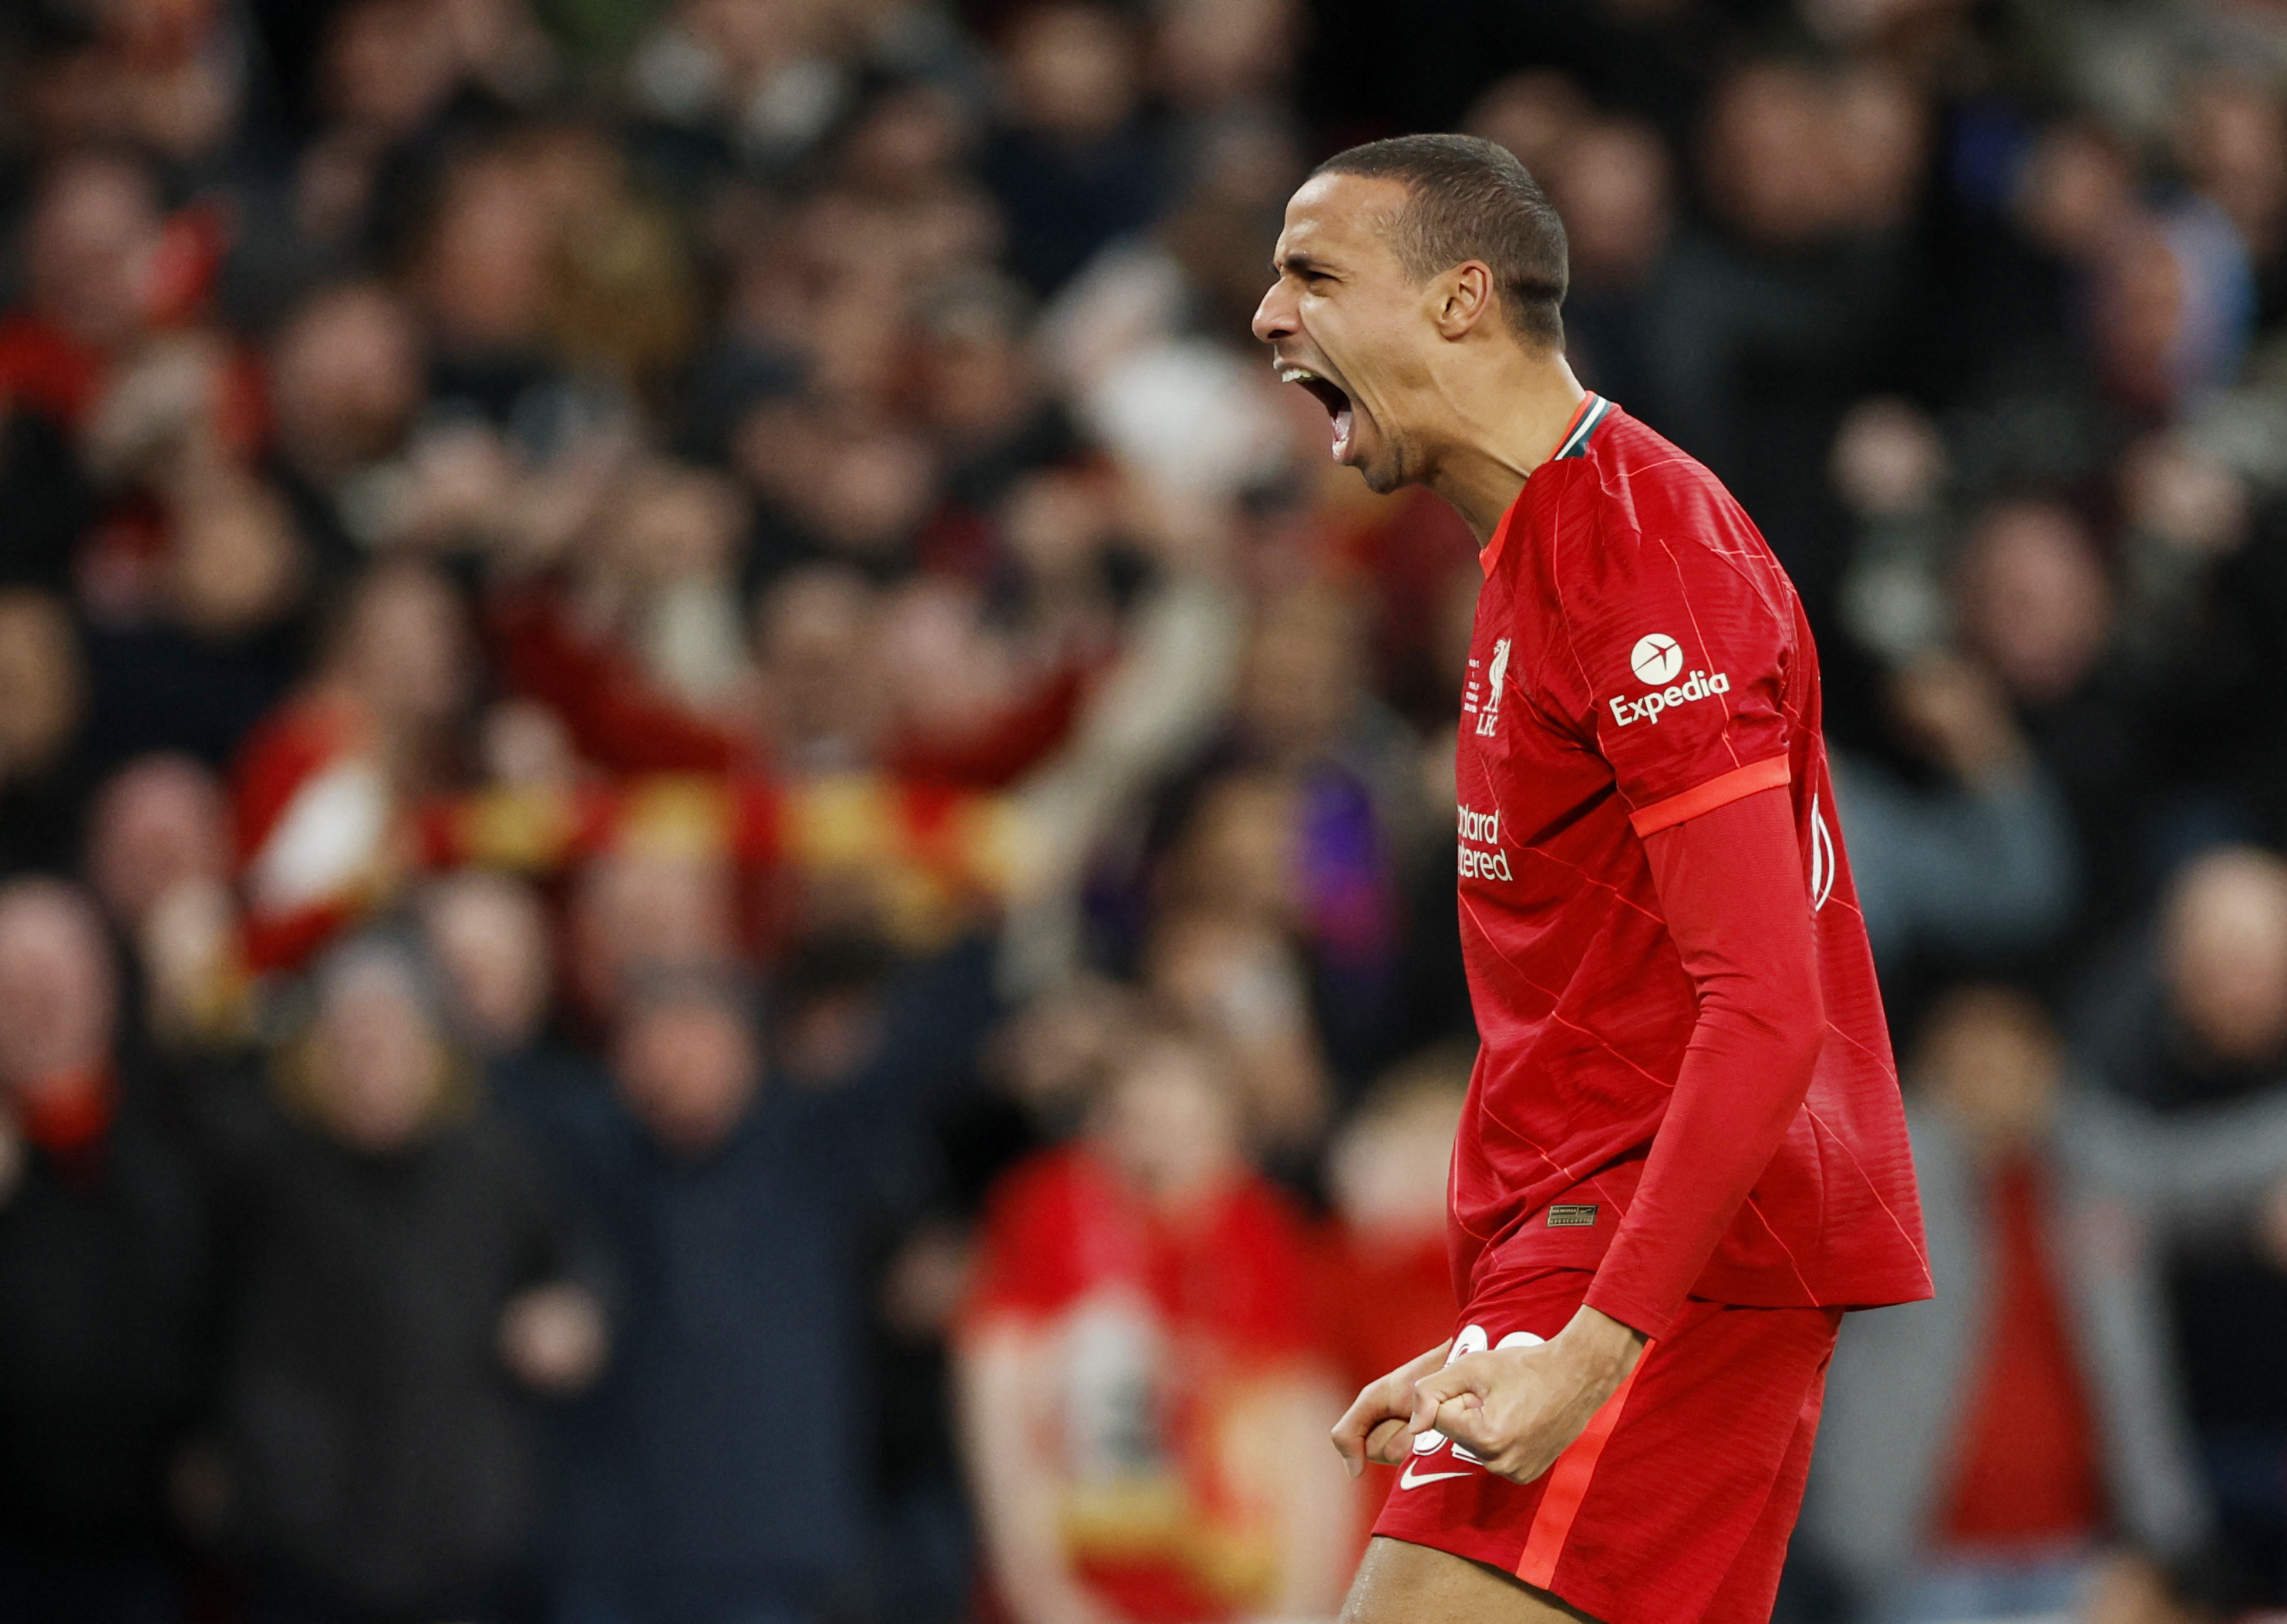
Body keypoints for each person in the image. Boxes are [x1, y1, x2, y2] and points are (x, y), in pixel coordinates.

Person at [1249, 134, 1931, 1624]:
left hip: (1665, 1263)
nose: (1267, 315)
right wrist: (1500, 1322)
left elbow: (1766, 1007)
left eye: (1311, 272)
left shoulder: (1639, 550)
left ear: (1458, 301)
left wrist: (1589, 1341)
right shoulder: (1535, 554)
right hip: (1606, 1257)